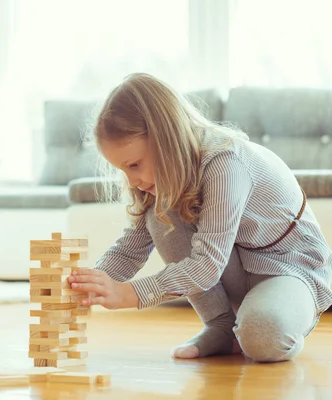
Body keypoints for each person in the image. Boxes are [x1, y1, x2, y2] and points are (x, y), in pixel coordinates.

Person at [68, 73, 332, 363]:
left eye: (134, 164)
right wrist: (91, 285)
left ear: (167, 140)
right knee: (160, 216)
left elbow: (207, 265)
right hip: (237, 269)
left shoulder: (225, 162)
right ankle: (222, 327)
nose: (132, 181)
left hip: (290, 269)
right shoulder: (160, 183)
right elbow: (131, 247)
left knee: (262, 336)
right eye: (123, 170)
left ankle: (284, 316)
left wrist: (129, 294)